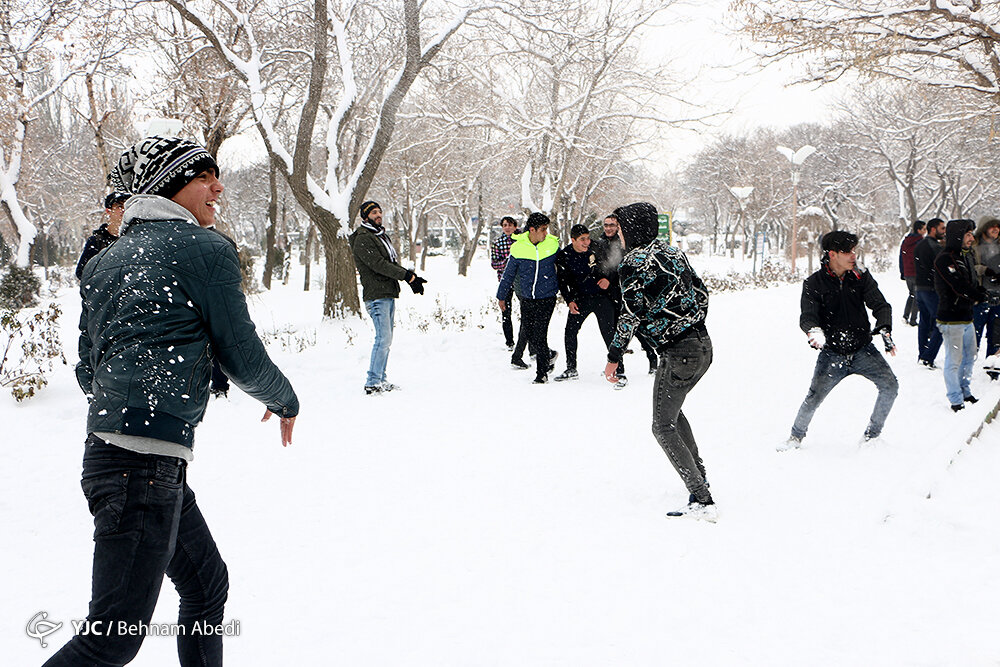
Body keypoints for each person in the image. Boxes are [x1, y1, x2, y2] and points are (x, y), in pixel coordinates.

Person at [46, 135, 299, 667]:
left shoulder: (107, 258)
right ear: (170, 186)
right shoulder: (205, 249)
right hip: (142, 466)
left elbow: (88, 367)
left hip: (125, 458)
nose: (218, 186)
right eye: (204, 176)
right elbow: (241, 352)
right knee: (112, 638)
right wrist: (284, 399)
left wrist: (132, 405)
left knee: (207, 584)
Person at [601, 203, 716, 521]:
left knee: (662, 426)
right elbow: (702, 293)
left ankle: (703, 499)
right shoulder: (673, 252)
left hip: (679, 353)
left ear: (632, 230)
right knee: (672, 414)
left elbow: (630, 313)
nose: (619, 236)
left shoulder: (633, 262)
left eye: (621, 229)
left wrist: (614, 357)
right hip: (703, 345)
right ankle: (699, 479)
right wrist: (688, 323)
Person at [782, 230, 898, 451]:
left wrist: (884, 326)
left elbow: (881, 305)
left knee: (890, 386)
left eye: (854, 250)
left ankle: (872, 437)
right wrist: (814, 331)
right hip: (832, 354)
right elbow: (808, 316)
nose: (853, 255)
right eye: (847, 251)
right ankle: (795, 438)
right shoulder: (814, 283)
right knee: (814, 397)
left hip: (863, 350)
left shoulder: (860, 276)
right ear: (832, 254)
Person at [349, 200, 427, 395]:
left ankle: (381, 379)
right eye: (374, 213)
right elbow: (379, 264)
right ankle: (372, 382)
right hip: (376, 295)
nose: (378, 215)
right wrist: (407, 276)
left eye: (380, 212)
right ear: (365, 216)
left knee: (386, 339)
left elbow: (389, 262)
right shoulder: (363, 238)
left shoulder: (379, 236)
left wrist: (411, 278)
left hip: (387, 293)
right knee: (382, 339)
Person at [593, 213, 658, 379]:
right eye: (606, 225)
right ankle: (617, 367)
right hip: (606, 294)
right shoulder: (599, 243)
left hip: (623, 292)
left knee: (636, 328)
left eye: (612, 225)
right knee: (612, 331)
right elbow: (599, 265)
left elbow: (623, 267)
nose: (608, 228)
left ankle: (652, 358)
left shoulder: (624, 243)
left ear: (618, 227)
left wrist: (610, 279)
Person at [497, 212, 559, 383]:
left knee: (540, 333)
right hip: (527, 297)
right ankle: (548, 356)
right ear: (532, 230)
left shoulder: (552, 245)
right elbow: (508, 275)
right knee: (530, 333)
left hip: (547, 297)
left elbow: (564, 269)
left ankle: (541, 374)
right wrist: (501, 296)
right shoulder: (518, 247)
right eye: (543, 230)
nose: (546, 233)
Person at [934, 219, 988, 411]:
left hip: (966, 316)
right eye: (967, 235)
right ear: (957, 236)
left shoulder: (967, 256)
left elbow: (971, 282)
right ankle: (955, 399)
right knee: (954, 360)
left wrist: (981, 291)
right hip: (950, 318)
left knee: (970, 356)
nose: (971, 238)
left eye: (972, 234)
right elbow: (957, 285)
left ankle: (965, 390)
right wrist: (977, 295)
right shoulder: (945, 258)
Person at [553, 223, 617, 381]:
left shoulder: (597, 248)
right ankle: (571, 368)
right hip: (580, 299)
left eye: (588, 238)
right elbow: (562, 282)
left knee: (609, 333)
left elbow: (613, 266)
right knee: (570, 332)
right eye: (582, 239)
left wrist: (607, 279)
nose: (586, 242)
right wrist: (569, 300)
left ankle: (618, 368)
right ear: (573, 239)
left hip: (601, 297)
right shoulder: (564, 255)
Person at [914, 218, 946, 368]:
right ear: (933, 229)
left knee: (925, 322)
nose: (944, 231)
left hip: (920, 287)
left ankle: (923, 354)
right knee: (941, 322)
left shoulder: (919, 245)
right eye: (942, 228)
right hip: (931, 289)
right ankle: (928, 356)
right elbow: (940, 268)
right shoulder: (934, 247)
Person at [75, 191, 129, 279]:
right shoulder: (96, 241)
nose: (124, 210)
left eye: (127, 206)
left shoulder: (136, 237)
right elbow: (82, 272)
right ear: (108, 211)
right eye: (119, 206)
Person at [971, 216, 1000, 357]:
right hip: (980, 297)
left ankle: (993, 368)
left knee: (996, 338)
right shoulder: (974, 247)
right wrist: (984, 270)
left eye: (997, 226)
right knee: (974, 336)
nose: (996, 229)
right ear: (984, 229)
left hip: (999, 298)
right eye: (991, 226)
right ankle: (967, 366)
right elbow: (968, 267)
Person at [490, 216, 519, 350]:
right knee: (506, 312)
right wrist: (507, 263)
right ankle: (509, 342)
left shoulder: (521, 241)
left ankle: (527, 340)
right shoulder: (498, 243)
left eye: (510, 225)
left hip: (520, 280)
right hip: (505, 281)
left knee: (527, 311)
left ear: (515, 226)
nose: (507, 227)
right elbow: (494, 264)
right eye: (505, 225)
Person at [899, 220, 925, 326]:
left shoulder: (906, 241)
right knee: (917, 296)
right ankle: (913, 320)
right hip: (916, 272)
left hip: (907, 272)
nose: (925, 231)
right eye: (924, 229)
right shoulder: (920, 242)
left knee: (912, 294)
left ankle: (905, 316)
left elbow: (901, 257)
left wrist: (902, 271)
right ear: (918, 230)